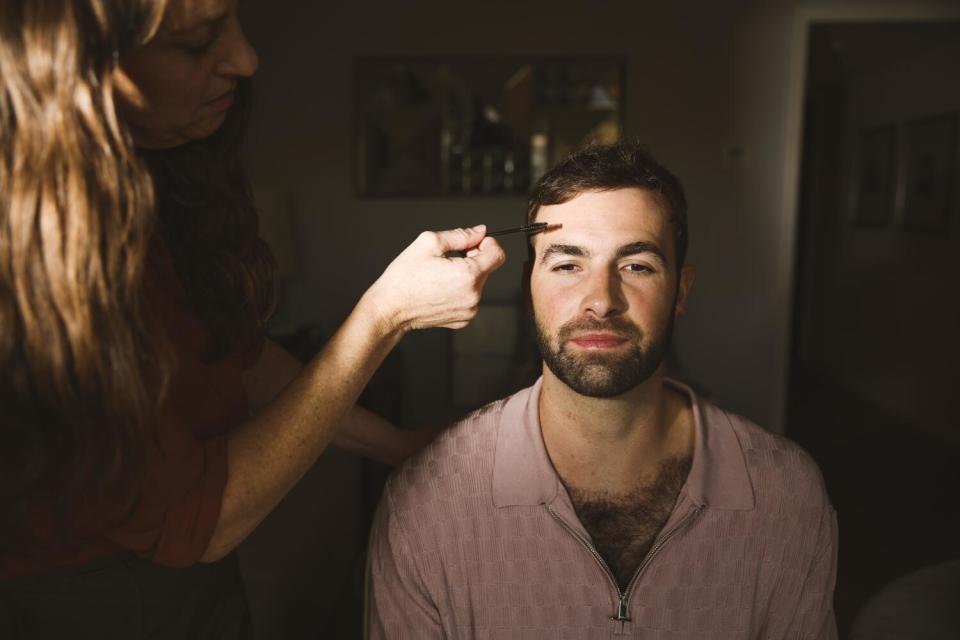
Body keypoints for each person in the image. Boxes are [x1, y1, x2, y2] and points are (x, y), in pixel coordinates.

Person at [0, 0, 504, 637]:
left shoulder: (155, 188)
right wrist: (384, 317)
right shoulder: (32, 247)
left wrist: (397, 446)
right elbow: (198, 523)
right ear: (82, 70)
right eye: (197, 44)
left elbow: (232, 355)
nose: (247, 59)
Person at [366, 142, 838, 639]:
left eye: (637, 266)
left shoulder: (788, 494)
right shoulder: (425, 503)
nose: (601, 301)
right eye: (568, 265)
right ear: (529, 287)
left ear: (681, 290)